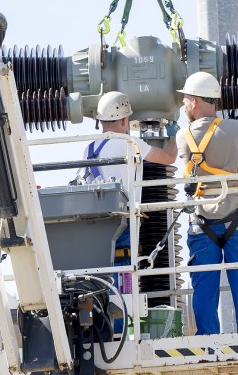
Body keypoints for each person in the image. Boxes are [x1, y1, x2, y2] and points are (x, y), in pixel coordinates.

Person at [175, 72, 238, 335]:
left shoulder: (182, 136)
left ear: (195, 101)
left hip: (201, 224)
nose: (184, 105)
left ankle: (207, 338)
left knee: (204, 285)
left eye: (185, 99)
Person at [83, 91, 177, 333]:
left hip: (96, 223)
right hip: (123, 222)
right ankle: (120, 332)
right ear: (125, 120)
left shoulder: (90, 148)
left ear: (100, 120)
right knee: (124, 277)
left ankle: (103, 331)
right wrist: (174, 136)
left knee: (100, 277)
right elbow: (167, 158)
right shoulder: (130, 143)